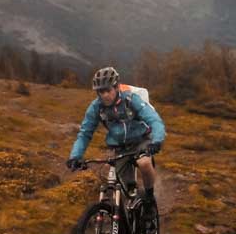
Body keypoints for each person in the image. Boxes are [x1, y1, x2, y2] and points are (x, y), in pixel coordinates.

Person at [66, 66, 166, 209]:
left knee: (144, 163)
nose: (105, 95)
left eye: (108, 90)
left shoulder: (131, 99)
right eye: (101, 91)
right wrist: (75, 156)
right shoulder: (96, 107)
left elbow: (154, 120)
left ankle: (150, 198)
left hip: (141, 139)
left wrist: (156, 141)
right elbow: (85, 133)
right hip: (120, 146)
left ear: (116, 87)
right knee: (125, 188)